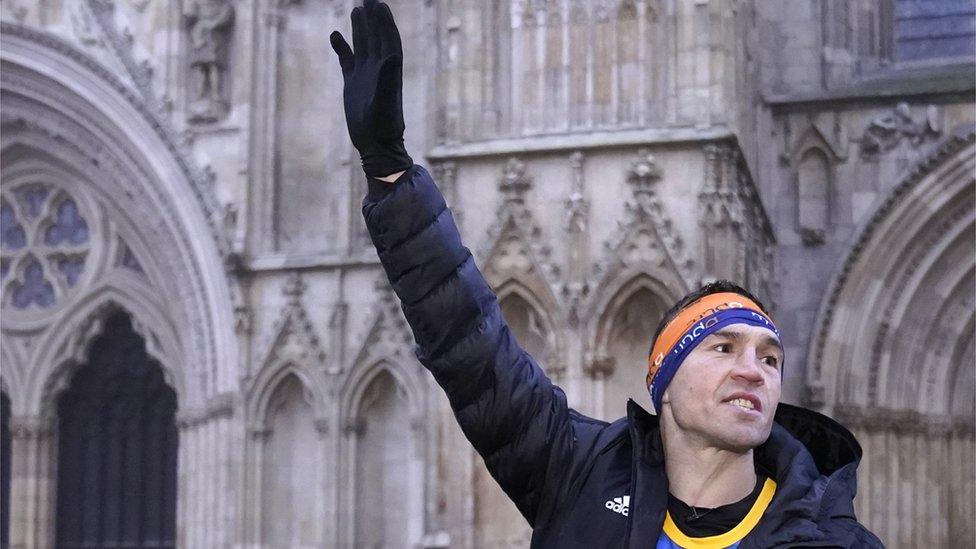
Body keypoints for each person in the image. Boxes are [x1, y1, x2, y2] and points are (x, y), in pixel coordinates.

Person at [330, 1, 884, 547]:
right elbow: (468, 345)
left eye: (770, 358)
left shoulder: (830, 537)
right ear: (662, 379)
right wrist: (391, 171)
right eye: (723, 347)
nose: (753, 370)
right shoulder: (576, 472)